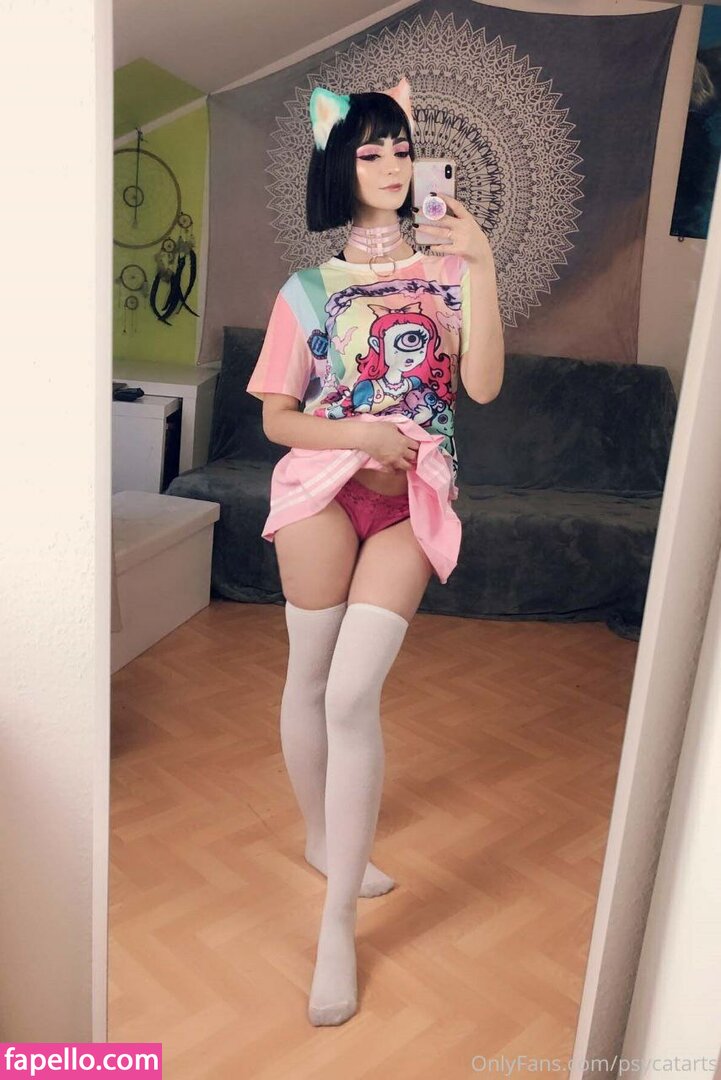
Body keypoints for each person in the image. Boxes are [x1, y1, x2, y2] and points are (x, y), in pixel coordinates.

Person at [245, 76, 503, 1027]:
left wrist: (480, 262)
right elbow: (278, 419)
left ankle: (336, 927)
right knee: (311, 677)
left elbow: (481, 388)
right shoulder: (306, 289)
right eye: (370, 150)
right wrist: (358, 437)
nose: (393, 164)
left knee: (353, 695)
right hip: (321, 491)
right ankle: (322, 839)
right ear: (340, 166)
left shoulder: (449, 270)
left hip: (410, 503)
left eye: (402, 147)